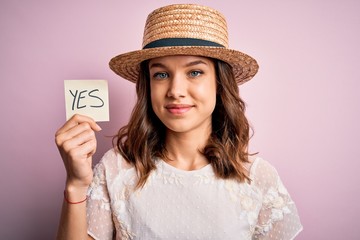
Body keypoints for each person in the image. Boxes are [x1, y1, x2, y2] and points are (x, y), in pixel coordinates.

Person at [55, 3, 303, 240]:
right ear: (148, 86)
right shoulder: (115, 169)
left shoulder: (259, 178)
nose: (175, 90)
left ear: (219, 83)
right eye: (161, 74)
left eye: (195, 72)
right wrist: (76, 185)